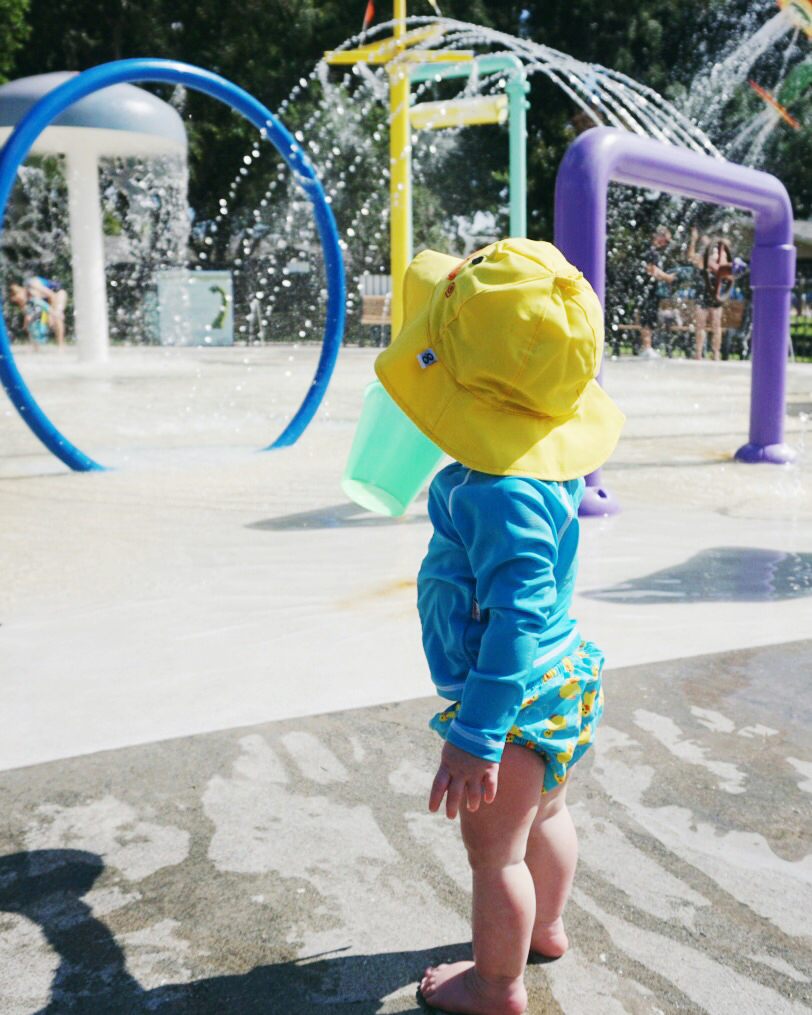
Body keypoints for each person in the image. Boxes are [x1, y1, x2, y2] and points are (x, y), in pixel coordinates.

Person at [374, 238, 625, 1015]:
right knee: (547, 814)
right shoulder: (540, 465)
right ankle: (544, 926)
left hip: (513, 699)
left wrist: (478, 732)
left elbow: (513, 611)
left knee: (494, 853)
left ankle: (496, 984)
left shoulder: (494, 491)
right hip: (559, 676)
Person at [687, 227, 733, 361]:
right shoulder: (703, 261)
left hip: (716, 295)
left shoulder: (721, 259)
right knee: (700, 325)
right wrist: (693, 240)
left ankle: (716, 353)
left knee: (716, 325)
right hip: (703, 294)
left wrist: (712, 243)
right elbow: (691, 256)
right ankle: (698, 353)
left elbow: (726, 245)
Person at [639, 225, 676, 358]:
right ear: (660, 237)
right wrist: (667, 277)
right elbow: (651, 270)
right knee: (647, 317)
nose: (666, 244)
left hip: (650, 290)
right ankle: (647, 347)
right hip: (646, 290)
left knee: (651, 317)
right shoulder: (651, 251)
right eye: (666, 241)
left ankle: (648, 347)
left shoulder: (653, 251)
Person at [25, 274, 67, 347]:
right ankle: (36, 347)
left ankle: (61, 346)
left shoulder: (33, 284)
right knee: (32, 320)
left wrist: (51, 315)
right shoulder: (27, 292)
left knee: (57, 316)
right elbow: (27, 310)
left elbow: (52, 295)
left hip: (58, 294)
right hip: (48, 297)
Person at [8, 282, 51, 348]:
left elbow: (38, 304)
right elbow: (25, 312)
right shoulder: (23, 300)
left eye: (15, 296)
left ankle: (40, 345)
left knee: (40, 329)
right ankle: (36, 347)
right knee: (31, 329)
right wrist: (25, 323)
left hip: (39, 311)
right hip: (35, 313)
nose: (15, 299)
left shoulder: (29, 295)